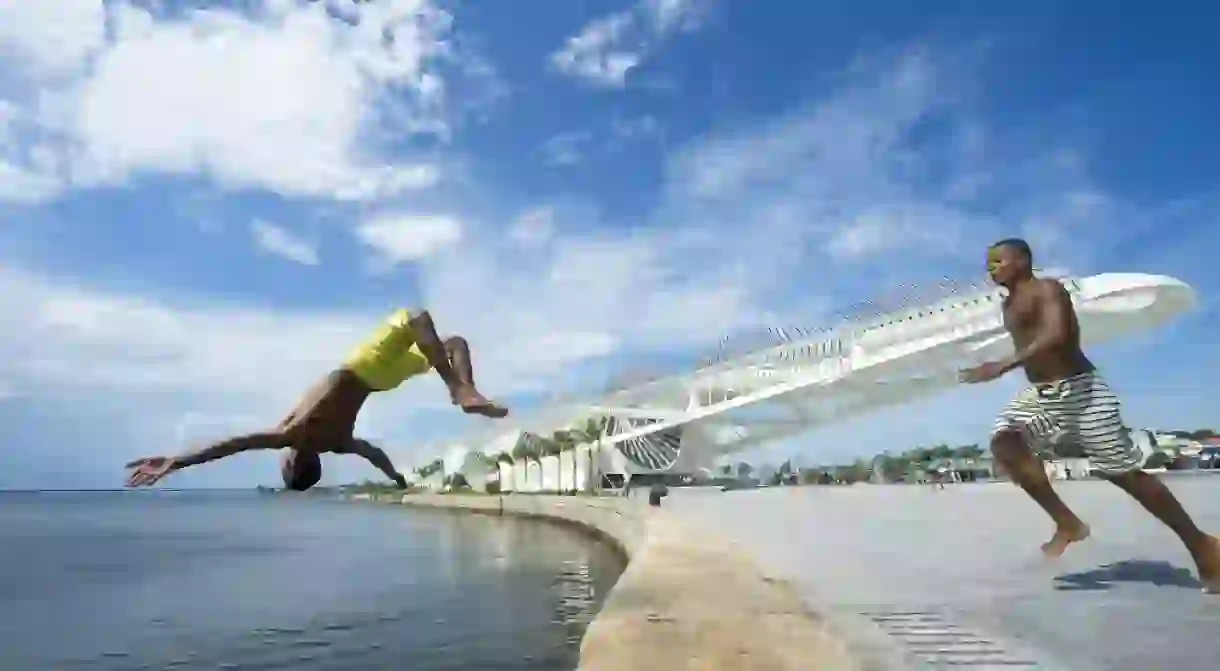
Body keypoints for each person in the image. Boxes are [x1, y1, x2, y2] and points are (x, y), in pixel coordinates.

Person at [959, 238, 1220, 592]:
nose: (990, 269)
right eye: (988, 264)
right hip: (1043, 396)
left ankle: (1202, 544)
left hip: (1082, 392)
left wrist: (1003, 365)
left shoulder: (1047, 289)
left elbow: (1057, 334)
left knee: (1125, 474)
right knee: (1005, 443)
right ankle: (1067, 523)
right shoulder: (1007, 307)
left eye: (998, 262)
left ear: (1021, 260)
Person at [124, 309, 508, 490]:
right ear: (291, 464)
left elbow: (374, 454)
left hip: (382, 381)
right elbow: (233, 445)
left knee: (453, 344)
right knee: (417, 317)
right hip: (365, 366)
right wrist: (178, 460)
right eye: (283, 466)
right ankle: (461, 389)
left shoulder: (338, 445)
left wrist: (397, 478)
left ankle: (463, 388)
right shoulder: (290, 433)